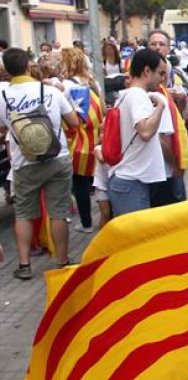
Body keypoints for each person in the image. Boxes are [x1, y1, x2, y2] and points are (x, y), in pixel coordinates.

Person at [0, 47, 80, 280]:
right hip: (57, 158)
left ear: (7, 69)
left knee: (23, 213)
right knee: (58, 212)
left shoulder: (3, 96)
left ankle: (24, 264)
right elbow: (74, 121)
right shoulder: (51, 91)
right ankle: (62, 259)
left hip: (24, 162)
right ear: (28, 65)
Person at [106, 48, 170, 216]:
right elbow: (146, 132)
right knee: (136, 240)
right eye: (160, 73)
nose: (163, 79)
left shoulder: (127, 95)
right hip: (131, 182)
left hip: (129, 180)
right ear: (147, 71)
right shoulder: (138, 95)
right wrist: (161, 107)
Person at [61, 47, 104, 234]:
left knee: (80, 185)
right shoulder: (93, 83)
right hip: (96, 139)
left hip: (78, 142)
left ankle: (86, 223)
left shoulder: (66, 86)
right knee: (99, 182)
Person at [147, 29, 188, 208]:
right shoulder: (149, 91)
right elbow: (159, 136)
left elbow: (182, 118)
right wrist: (175, 164)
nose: (157, 47)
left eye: (161, 44)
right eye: (153, 44)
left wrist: (180, 102)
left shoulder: (171, 79)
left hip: (173, 162)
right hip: (162, 167)